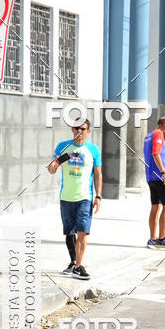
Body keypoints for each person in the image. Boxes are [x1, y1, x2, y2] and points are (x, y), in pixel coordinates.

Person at [48, 119, 101, 280]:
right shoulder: (64, 147)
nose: (79, 131)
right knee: (69, 233)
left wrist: (98, 196)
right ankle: (73, 262)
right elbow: (53, 168)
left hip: (85, 197)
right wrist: (53, 165)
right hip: (66, 197)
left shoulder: (92, 150)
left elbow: (97, 174)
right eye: (77, 128)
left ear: (88, 131)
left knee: (82, 232)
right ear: (72, 129)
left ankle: (79, 266)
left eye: (83, 129)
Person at [143, 117, 165, 249]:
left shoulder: (149, 135)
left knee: (155, 207)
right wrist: (164, 174)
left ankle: (152, 239)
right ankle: (161, 239)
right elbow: (156, 153)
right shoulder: (158, 134)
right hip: (159, 177)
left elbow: (161, 150)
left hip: (151, 177)